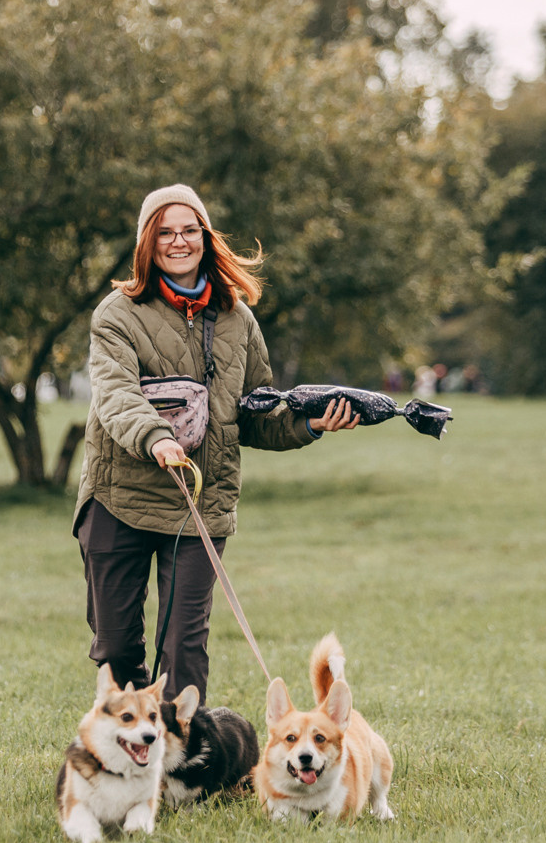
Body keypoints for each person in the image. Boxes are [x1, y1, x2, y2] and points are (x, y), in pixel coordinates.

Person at [74, 184, 358, 700]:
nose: (178, 241)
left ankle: (184, 751)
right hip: (120, 498)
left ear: (205, 238)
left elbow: (254, 414)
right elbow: (115, 395)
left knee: (184, 649)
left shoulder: (237, 319)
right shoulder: (116, 314)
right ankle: (135, 742)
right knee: (116, 649)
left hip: (199, 505)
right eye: (165, 232)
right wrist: (156, 438)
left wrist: (311, 424)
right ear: (146, 242)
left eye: (189, 230)